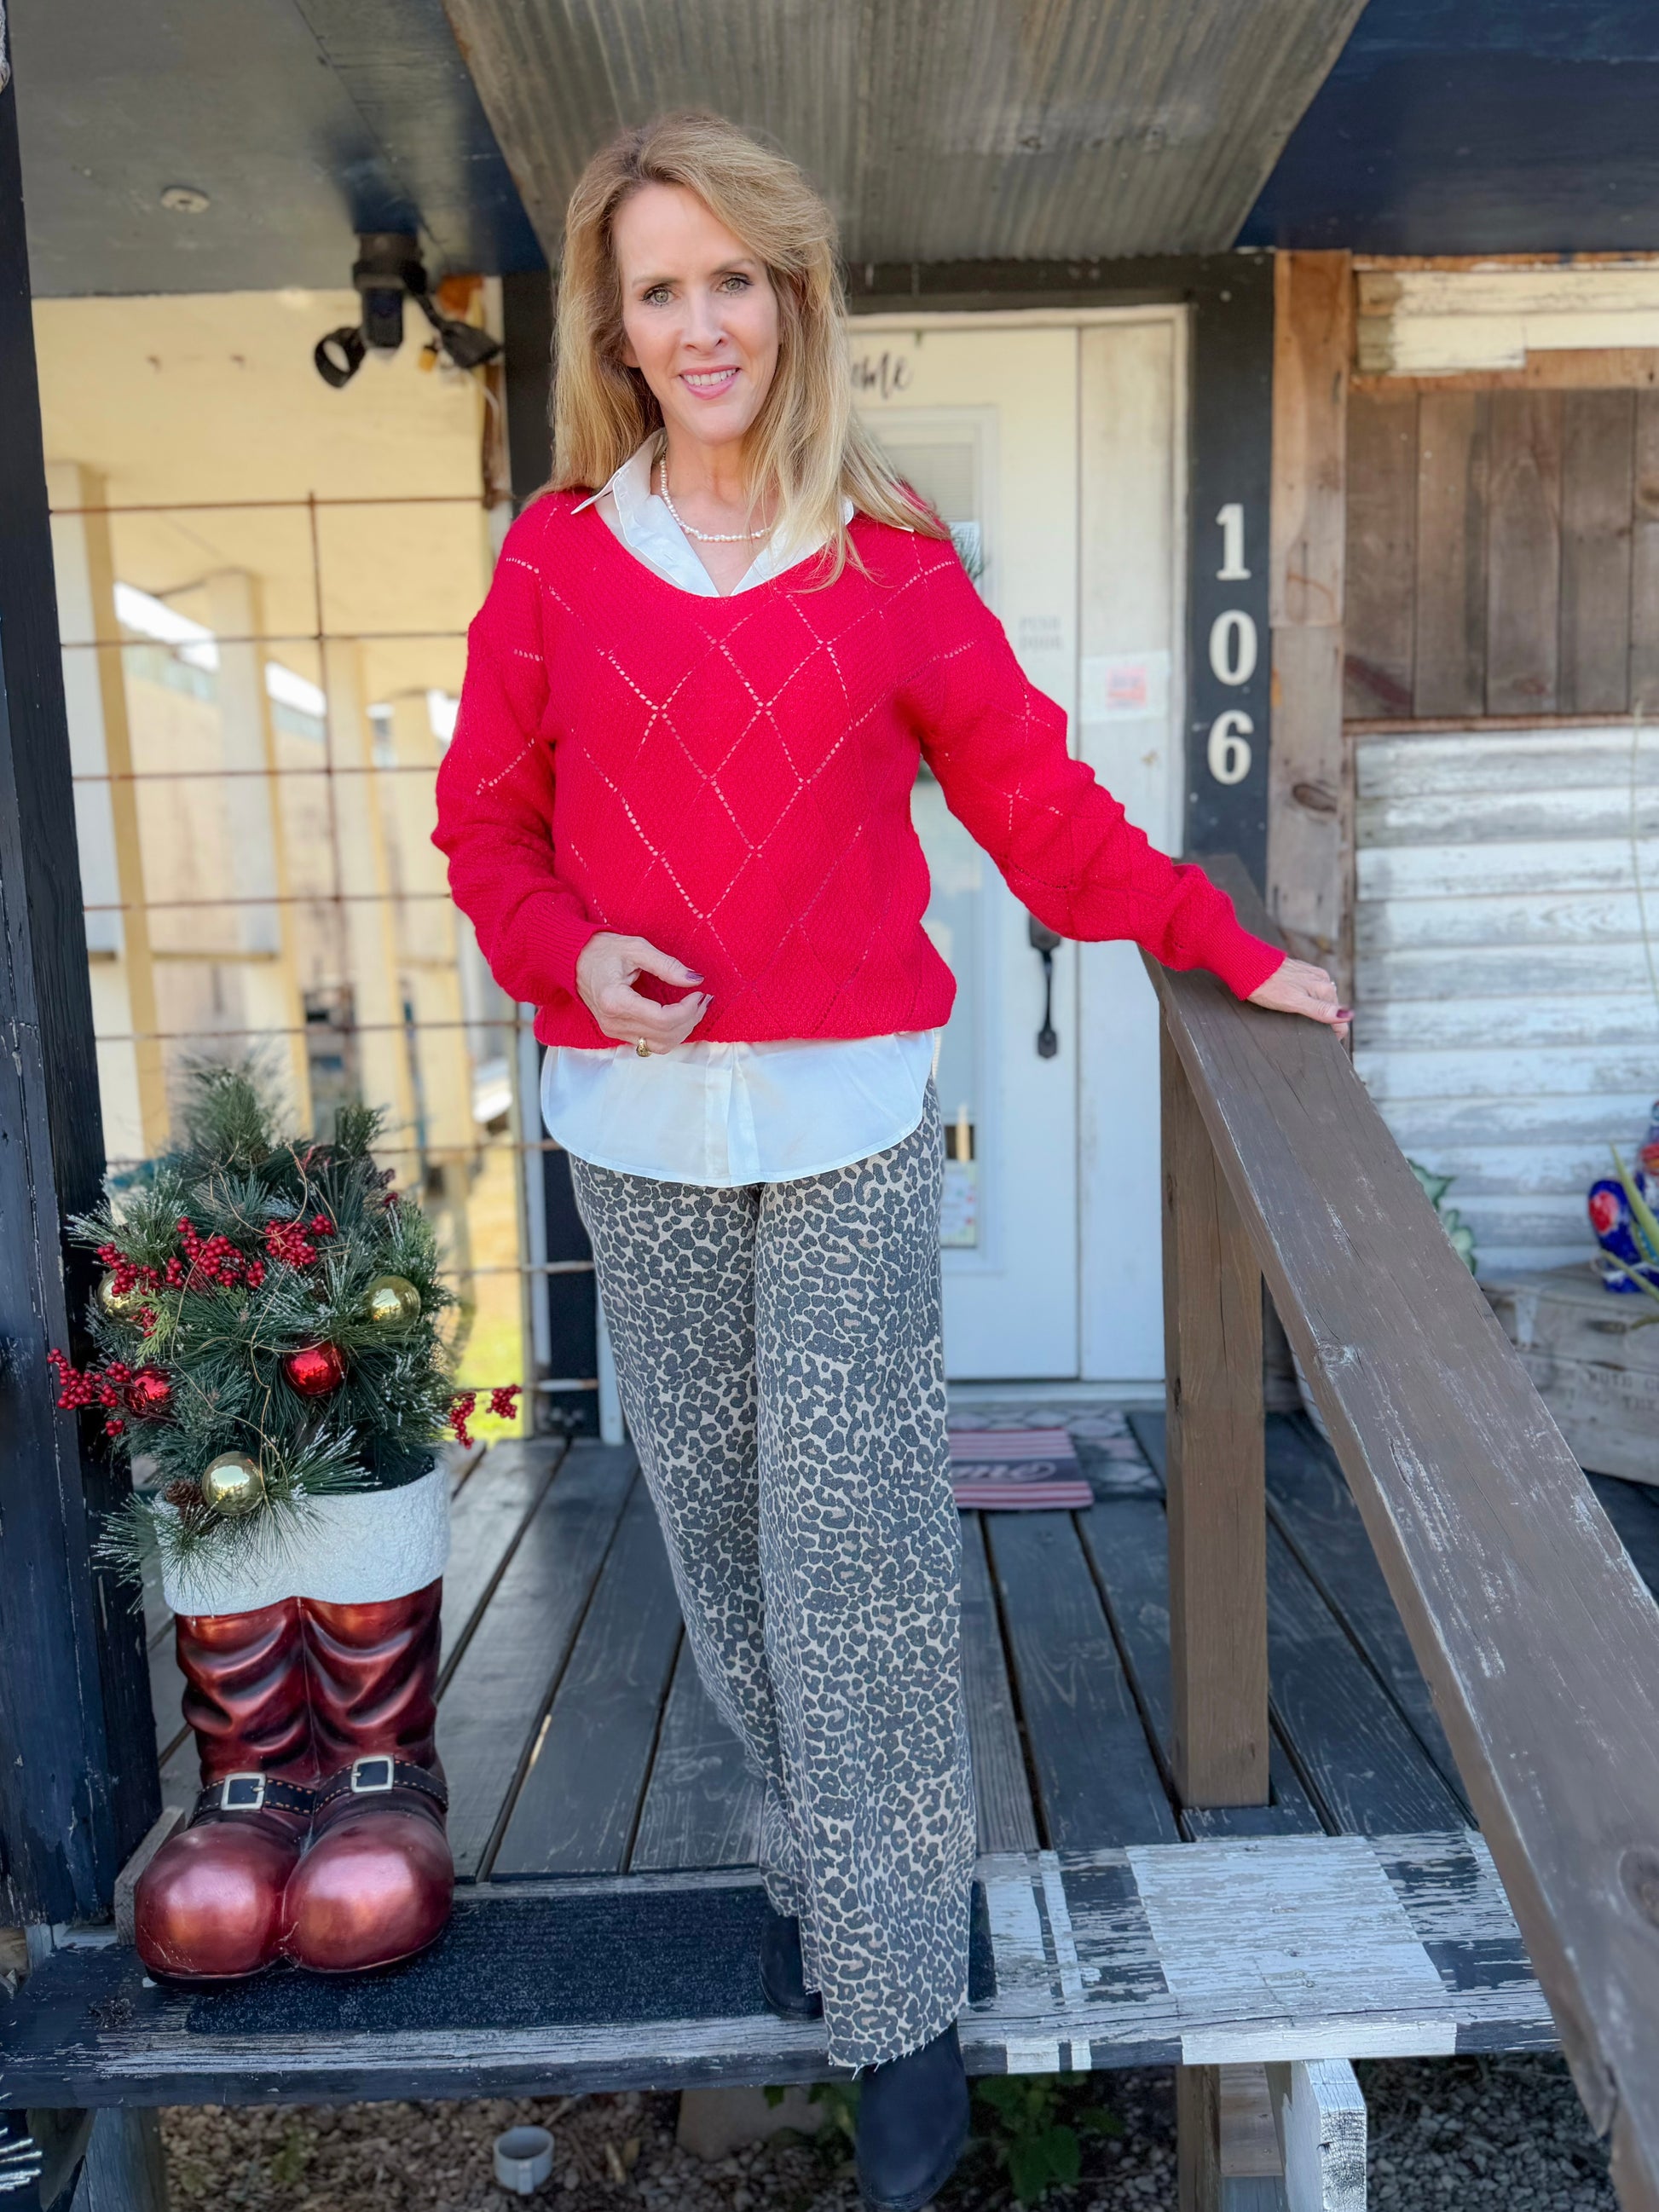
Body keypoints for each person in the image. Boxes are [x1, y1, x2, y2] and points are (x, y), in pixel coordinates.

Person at [434, 109, 1348, 2212]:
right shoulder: (556, 560)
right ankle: (812, 1865)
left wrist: (1229, 945)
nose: (699, 322)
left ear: (791, 294)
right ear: (617, 326)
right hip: (632, 1133)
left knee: (847, 1555)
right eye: (656, 289)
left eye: (730, 276)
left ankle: (900, 2005)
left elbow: (1039, 811)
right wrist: (575, 950)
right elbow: (486, 833)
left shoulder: (891, 562)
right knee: (727, 1545)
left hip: (848, 1125)